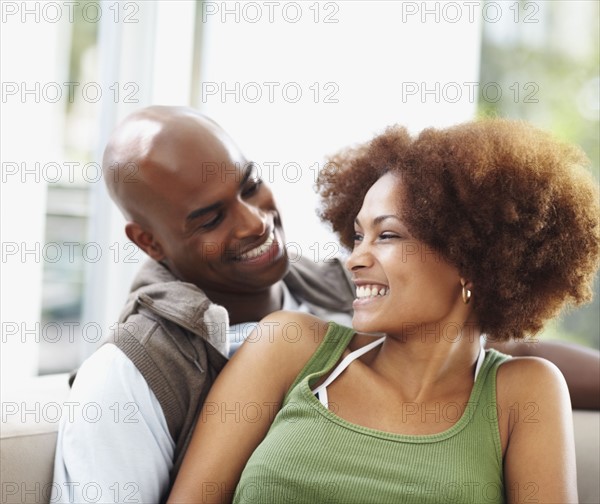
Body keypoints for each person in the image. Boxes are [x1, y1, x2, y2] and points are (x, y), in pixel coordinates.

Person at [52, 107, 598, 503]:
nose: (355, 259)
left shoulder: (525, 390)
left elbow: (505, 344)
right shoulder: (281, 342)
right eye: (355, 236)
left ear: (467, 253)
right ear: (149, 241)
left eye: (385, 236)